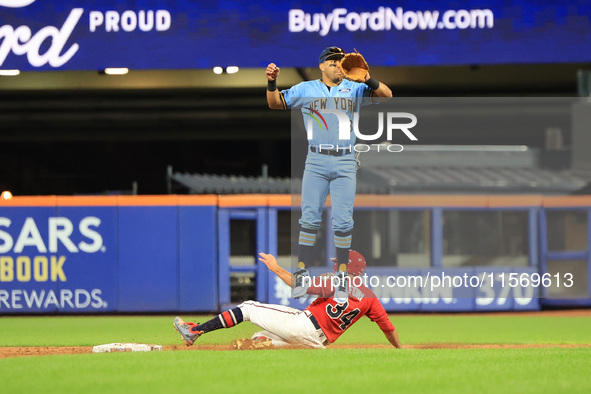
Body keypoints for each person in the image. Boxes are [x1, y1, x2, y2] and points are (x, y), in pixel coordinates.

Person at [265, 46, 393, 303]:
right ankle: (302, 272)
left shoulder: (355, 88)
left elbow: (388, 96)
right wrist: (271, 82)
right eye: (333, 62)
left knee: (343, 222)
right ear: (322, 66)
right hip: (316, 159)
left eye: (340, 62)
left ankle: (343, 276)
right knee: (309, 218)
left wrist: (368, 79)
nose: (338, 65)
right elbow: (275, 103)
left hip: (346, 159)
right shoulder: (305, 89)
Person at [173, 250, 402, 350]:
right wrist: (400, 348)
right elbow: (388, 328)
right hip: (317, 343)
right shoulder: (370, 298)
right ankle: (264, 344)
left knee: (248, 308)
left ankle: (195, 331)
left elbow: (299, 286)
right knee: (258, 338)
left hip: (304, 325)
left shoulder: (337, 280)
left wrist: (275, 267)